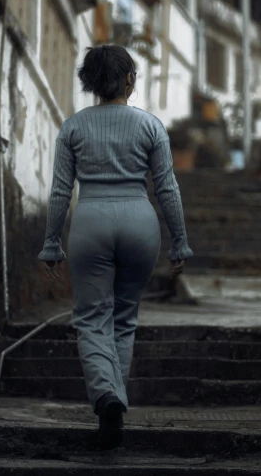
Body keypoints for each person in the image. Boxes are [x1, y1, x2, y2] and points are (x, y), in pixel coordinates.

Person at [37, 44, 193, 450]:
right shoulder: (151, 126)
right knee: (124, 318)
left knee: (91, 318)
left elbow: (59, 192)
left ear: (90, 82)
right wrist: (180, 241)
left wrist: (52, 242)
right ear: (130, 80)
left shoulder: (71, 128)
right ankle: (115, 404)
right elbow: (167, 188)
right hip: (140, 223)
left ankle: (107, 397)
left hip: (90, 221)